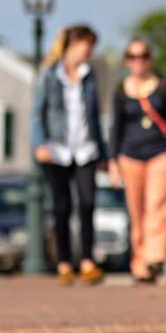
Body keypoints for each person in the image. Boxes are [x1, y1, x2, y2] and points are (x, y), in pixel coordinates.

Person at [109, 38, 166, 284]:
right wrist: (113, 162)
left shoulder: (165, 85)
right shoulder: (121, 90)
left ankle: (155, 256)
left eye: (143, 55)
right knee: (136, 211)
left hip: (160, 152)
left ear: (150, 59)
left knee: (158, 204)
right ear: (126, 60)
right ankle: (140, 263)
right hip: (129, 155)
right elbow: (116, 127)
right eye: (133, 56)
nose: (139, 61)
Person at [32, 24, 108, 286]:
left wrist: (103, 152)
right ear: (74, 44)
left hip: (85, 149)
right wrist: (40, 143)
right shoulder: (49, 75)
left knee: (87, 204)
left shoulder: (90, 75)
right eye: (88, 46)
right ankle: (64, 262)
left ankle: (87, 261)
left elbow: (95, 116)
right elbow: (37, 113)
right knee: (62, 207)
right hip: (57, 150)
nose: (90, 52)